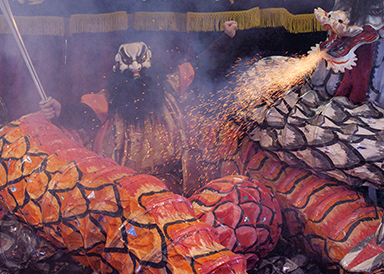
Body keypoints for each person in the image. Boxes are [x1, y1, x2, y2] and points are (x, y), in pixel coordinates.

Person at [40, 21, 237, 195]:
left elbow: (199, 65)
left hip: (170, 185)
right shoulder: (110, 99)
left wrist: (226, 37)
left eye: (140, 60)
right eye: (128, 61)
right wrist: (60, 111)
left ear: (149, 61)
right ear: (118, 66)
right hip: (126, 189)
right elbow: (84, 114)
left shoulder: (169, 86)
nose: (135, 67)